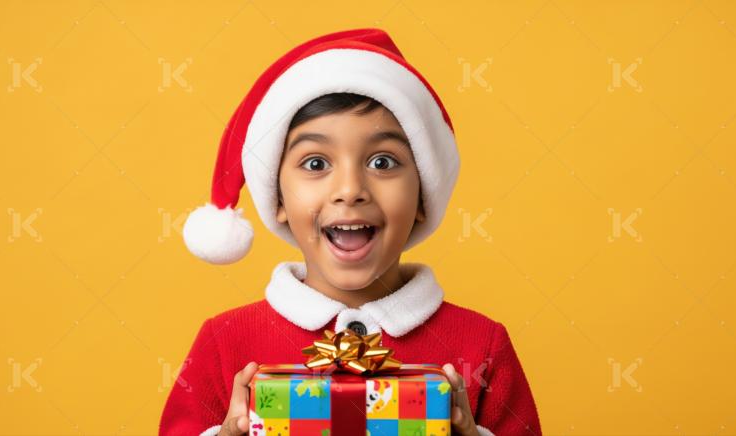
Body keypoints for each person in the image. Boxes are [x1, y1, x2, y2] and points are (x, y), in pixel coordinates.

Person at [160, 28, 541, 436]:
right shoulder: (224, 342)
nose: (349, 190)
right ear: (278, 198)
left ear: (424, 194)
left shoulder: (483, 345)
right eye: (315, 164)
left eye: (382, 162)